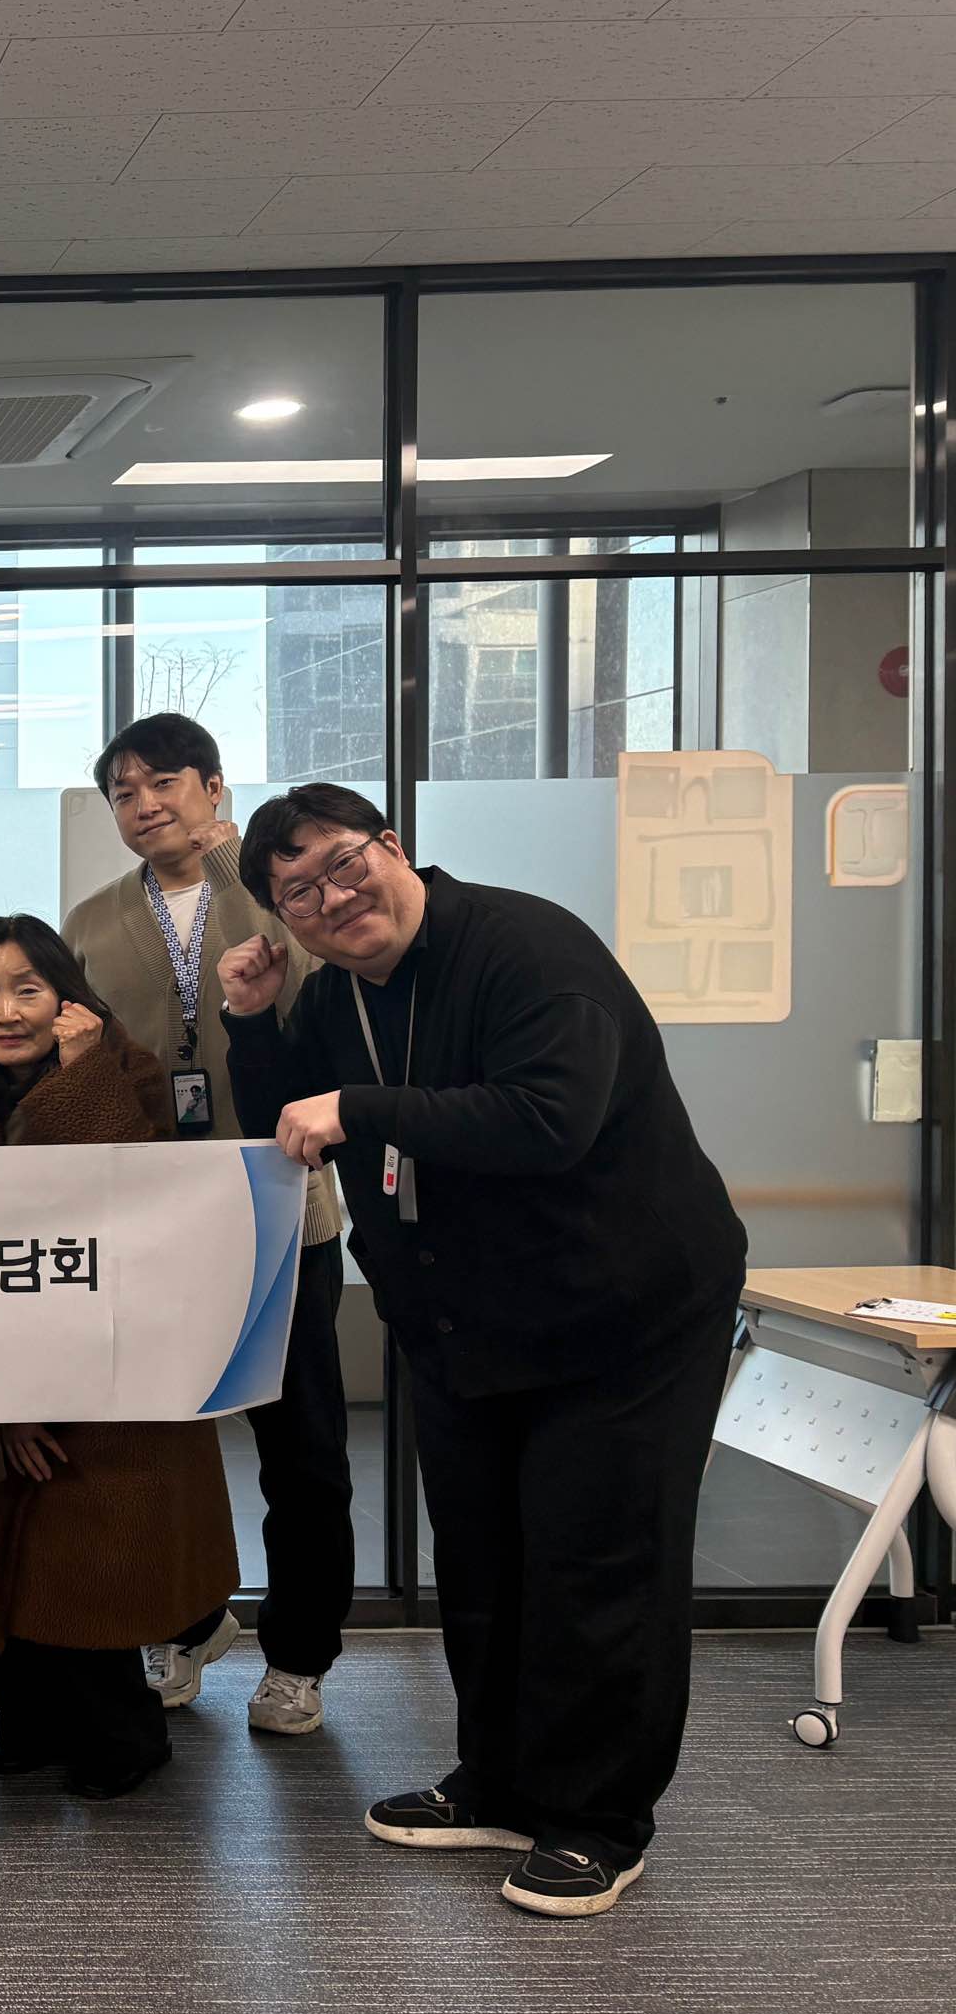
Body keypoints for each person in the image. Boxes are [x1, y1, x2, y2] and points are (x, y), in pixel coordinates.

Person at [221, 784, 747, 1919]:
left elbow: (550, 1117)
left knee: (596, 1557)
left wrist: (364, 1110)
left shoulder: (525, 946)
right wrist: (255, 1021)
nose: (331, 898)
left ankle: (600, 1821)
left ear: (392, 847)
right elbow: (296, 1126)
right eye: (297, 893)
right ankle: (502, 1782)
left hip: (623, 1311)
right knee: (484, 1559)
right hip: (464, 1320)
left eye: (342, 863)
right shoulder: (337, 996)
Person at [62, 714, 353, 1735]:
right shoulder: (91, 920)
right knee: (156, 1449)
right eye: (124, 792)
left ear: (215, 787)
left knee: (302, 1449)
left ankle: (300, 1656)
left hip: (283, 1208)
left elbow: (327, 996)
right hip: (157, 1220)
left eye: (165, 782)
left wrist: (241, 870)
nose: (145, 805)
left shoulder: (282, 894)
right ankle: (180, 1623)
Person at [0, 915, 241, 1800]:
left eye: (26, 990)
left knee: (90, 1578)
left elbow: (124, 1207)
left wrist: (80, 1075)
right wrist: (6, 1400)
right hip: (0, 1371)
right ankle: (28, 1730)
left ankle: (126, 1738)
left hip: (115, 1387)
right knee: (4, 1577)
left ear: (68, 998)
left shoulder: (125, 1072)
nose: (5, 1013)